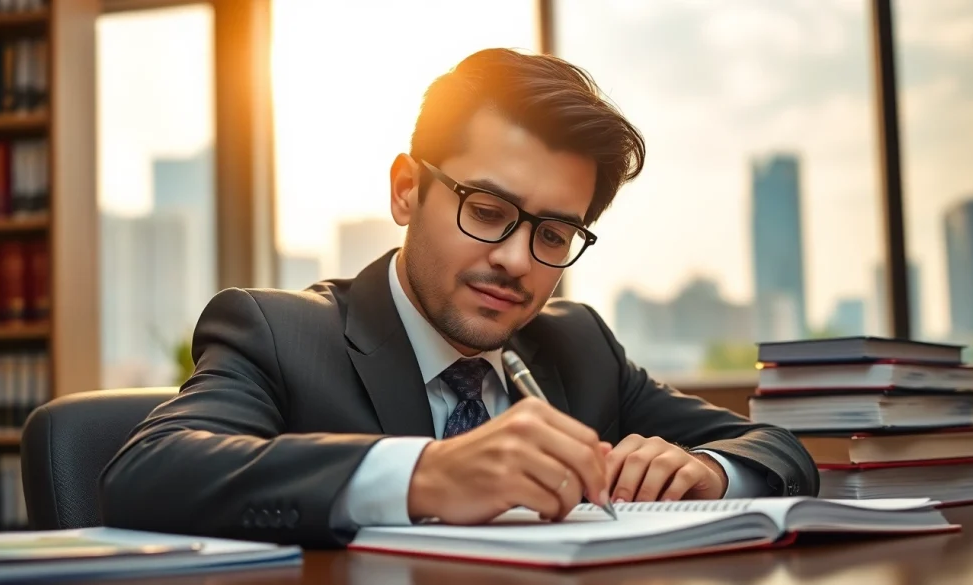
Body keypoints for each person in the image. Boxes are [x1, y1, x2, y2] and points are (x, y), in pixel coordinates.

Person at [99, 48, 819, 548]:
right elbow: (147, 471)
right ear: (407, 188)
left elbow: (777, 449)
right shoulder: (281, 333)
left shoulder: (579, 346)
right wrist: (426, 473)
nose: (514, 259)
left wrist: (711, 471)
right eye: (484, 207)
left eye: (554, 232)